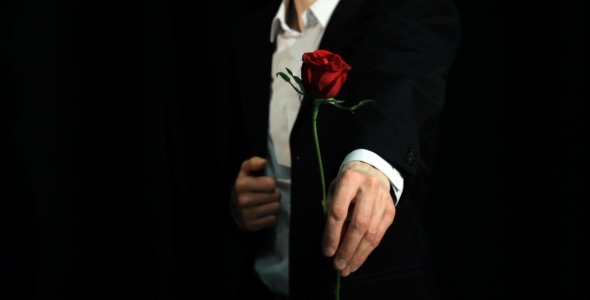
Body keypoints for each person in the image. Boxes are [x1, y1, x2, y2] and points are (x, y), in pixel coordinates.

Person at [222, 0, 461, 299]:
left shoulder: (404, 9)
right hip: (262, 285)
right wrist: (236, 203)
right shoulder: (250, 32)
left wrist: (374, 162)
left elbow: (404, 82)